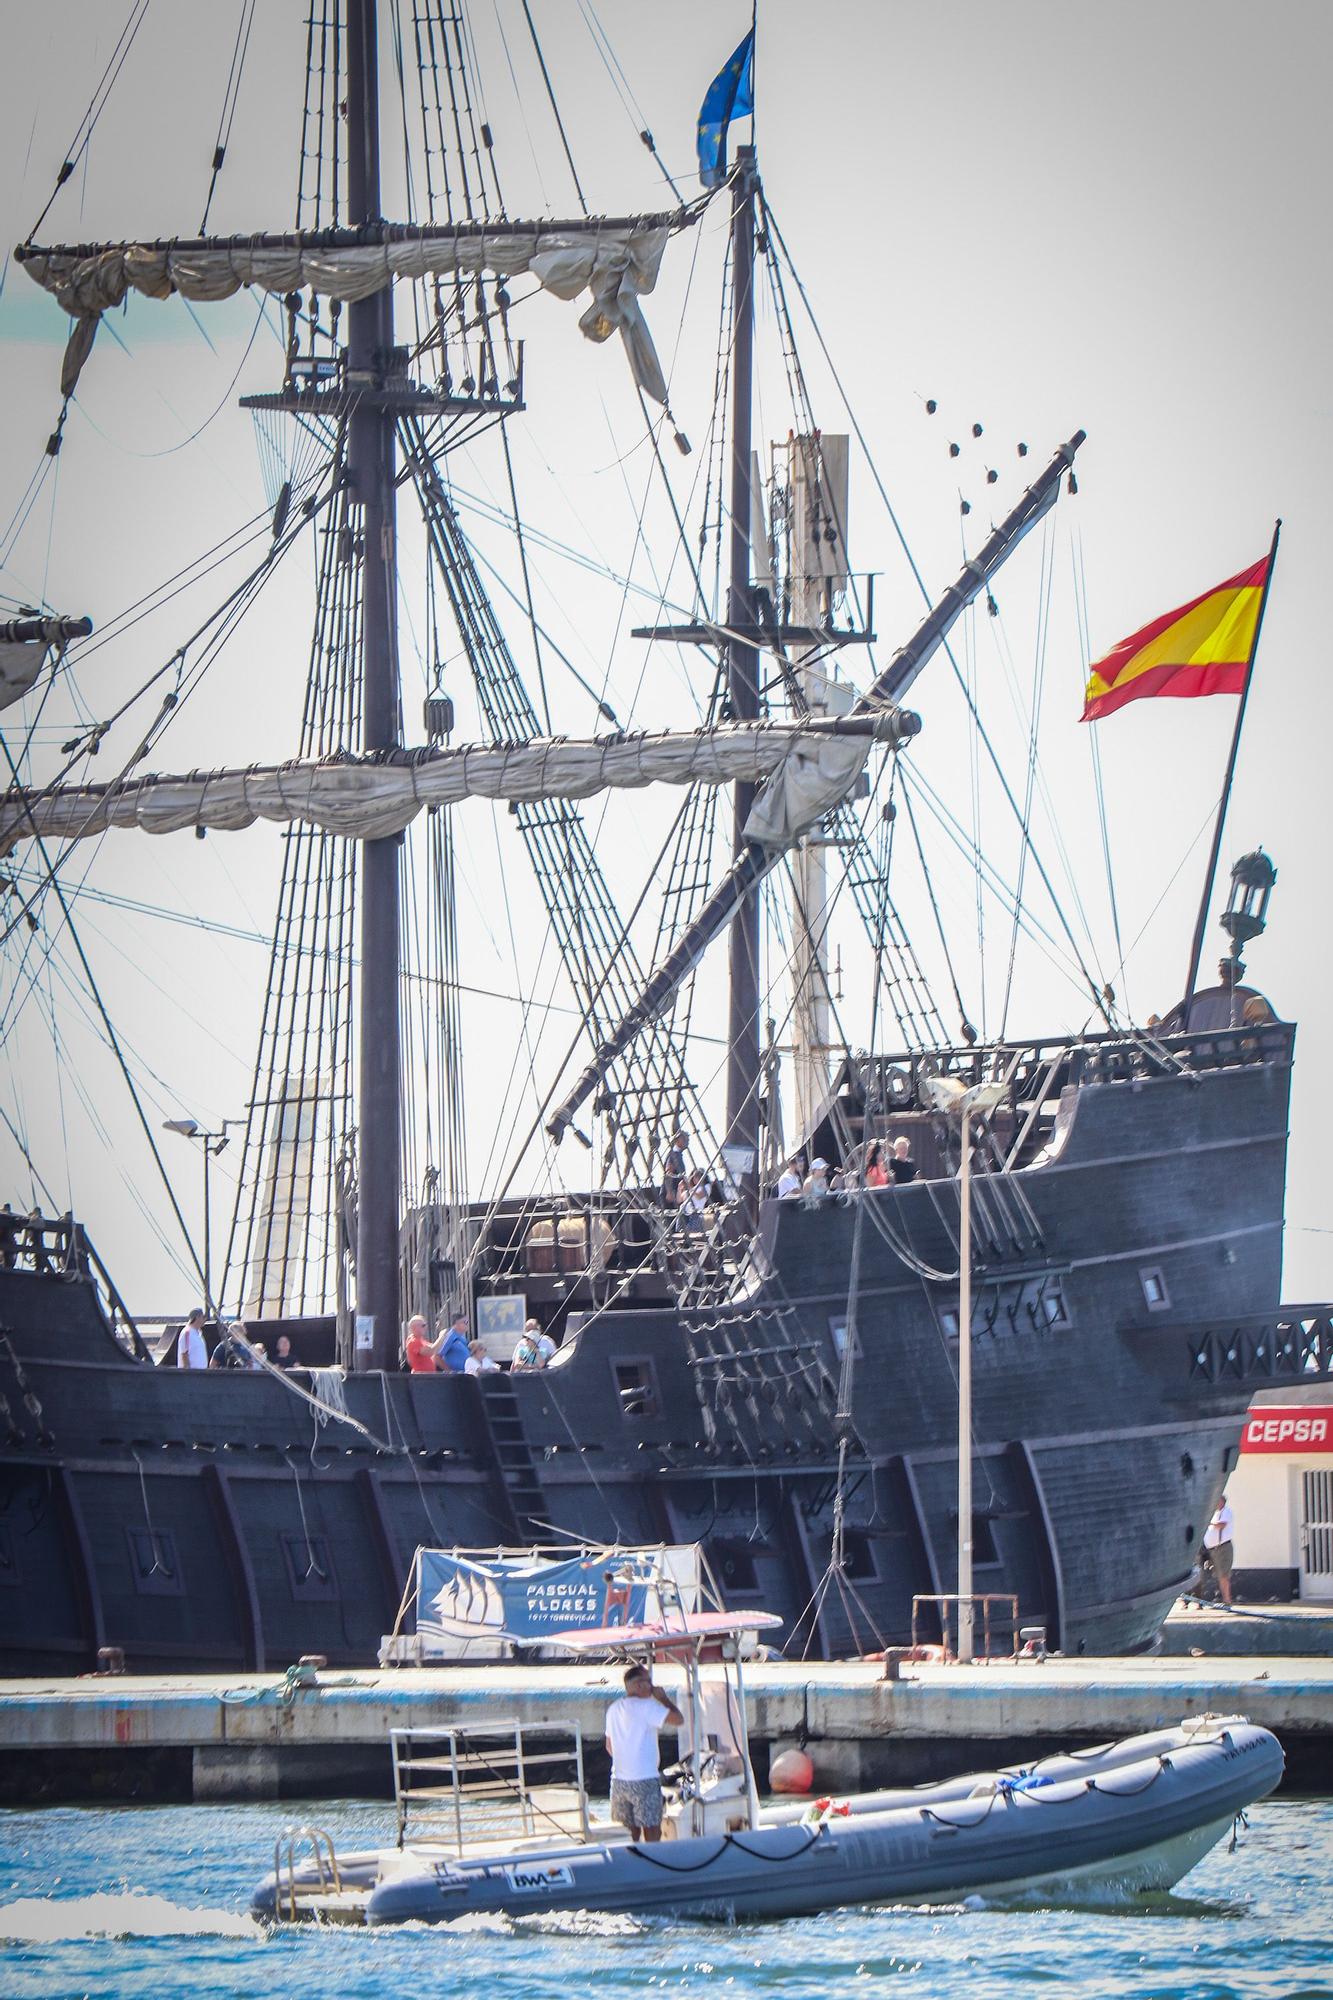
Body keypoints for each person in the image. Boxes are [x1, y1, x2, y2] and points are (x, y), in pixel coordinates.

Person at [603, 1663, 684, 1842]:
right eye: (649, 1682)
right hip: (645, 1779)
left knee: (628, 1833)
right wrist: (663, 1699)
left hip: (619, 1780)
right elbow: (678, 1719)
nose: (653, 1686)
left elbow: (609, 1746)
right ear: (639, 1685)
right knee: (652, 1830)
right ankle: (653, 1861)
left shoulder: (613, 1709)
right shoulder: (647, 1706)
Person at [1201, 1493, 1236, 1607]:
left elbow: (1221, 1525)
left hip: (1223, 1548)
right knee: (1216, 1574)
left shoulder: (1226, 1512)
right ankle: (1221, 1598)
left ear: (1221, 1501)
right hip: (1212, 1549)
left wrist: (1209, 1522)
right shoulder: (1215, 1514)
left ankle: (1227, 1600)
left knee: (1224, 1575)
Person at [438, 1310, 471, 1374]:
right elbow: (437, 1357)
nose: (467, 1324)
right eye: (465, 1322)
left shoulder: (462, 1337)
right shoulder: (450, 1337)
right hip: (454, 1377)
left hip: (464, 1374)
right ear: (456, 1323)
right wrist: (449, 1371)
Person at [663, 1130, 689, 1208]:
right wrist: (669, 1191)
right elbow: (668, 1173)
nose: (687, 1142)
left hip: (677, 1192)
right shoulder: (673, 1155)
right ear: (679, 1140)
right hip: (672, 1193)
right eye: (685, 1139)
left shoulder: (677, 1155)